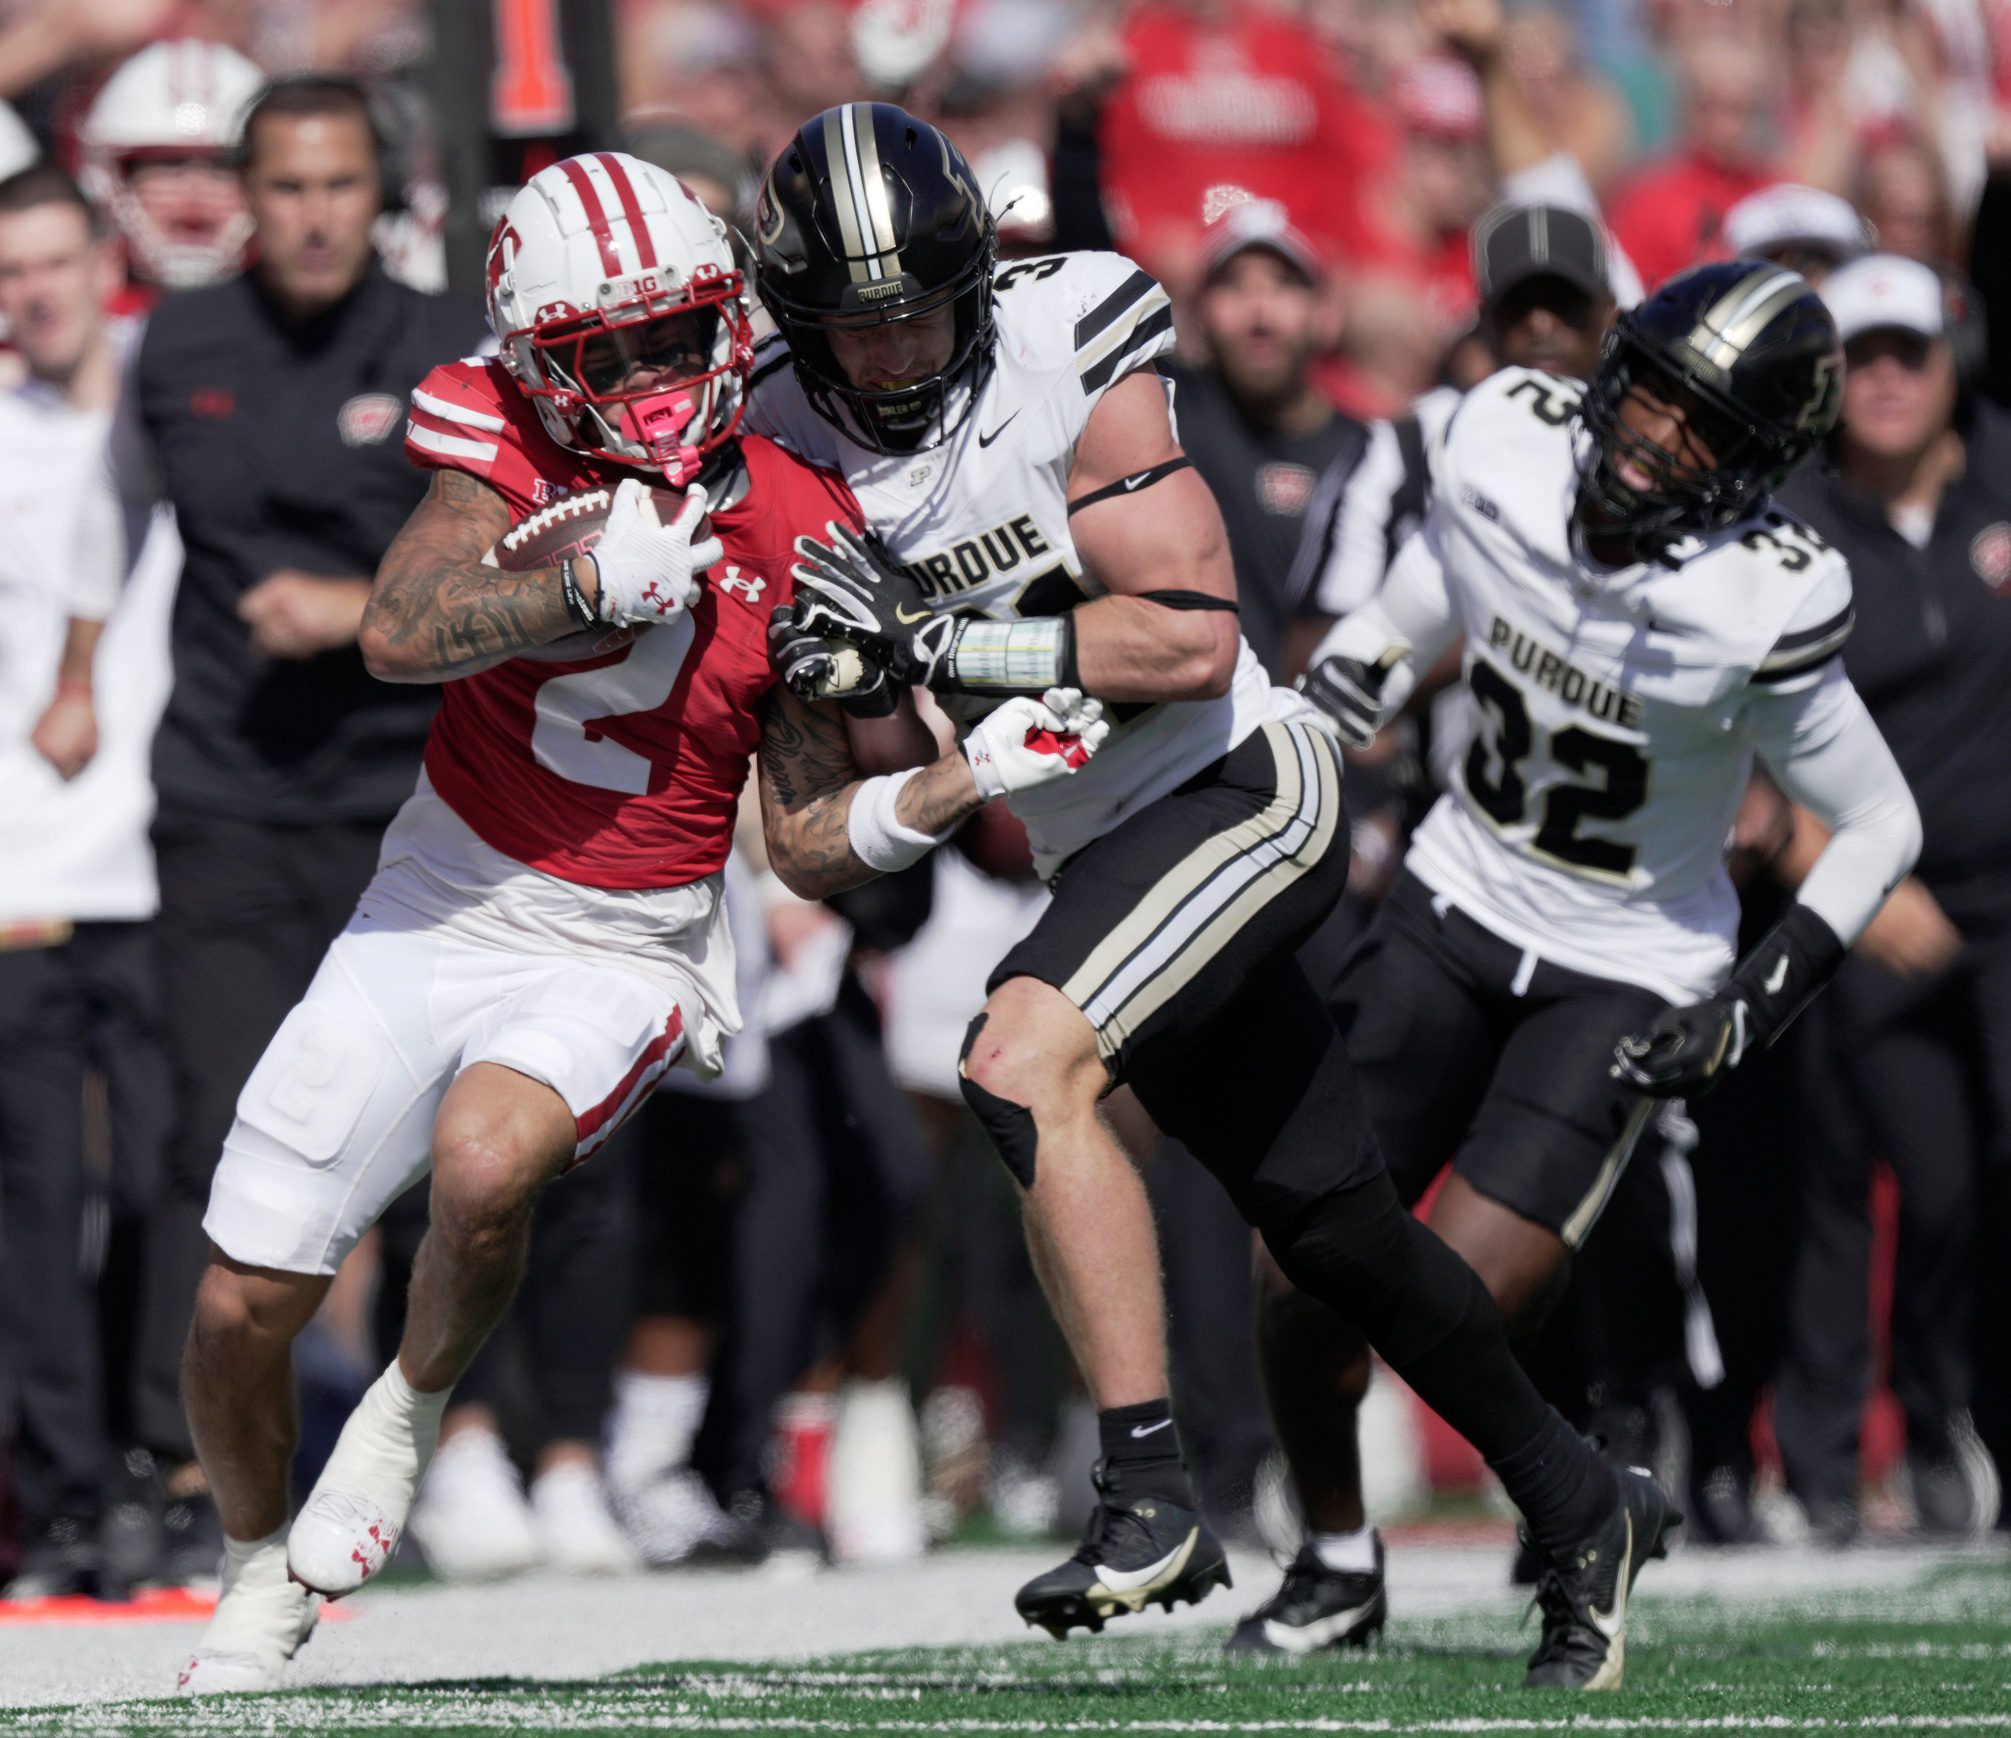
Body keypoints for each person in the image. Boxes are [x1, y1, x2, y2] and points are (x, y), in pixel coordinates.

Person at [752, 101, 1681, 1692]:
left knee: (1015, 1058)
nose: (895, 350)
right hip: (1085, 847)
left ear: (977, 273)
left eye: (917, 304)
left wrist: (925, 650)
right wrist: (891, 763)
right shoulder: (771, 444)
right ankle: (1580, 1493)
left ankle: (1146, 1490)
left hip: (1238, 784)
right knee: (1341, 1239)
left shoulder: (1064, 336)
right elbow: (808, 840)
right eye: (856, 318)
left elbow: (1183, 632)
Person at [174, 149, 1108, 1694]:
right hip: (438, 898)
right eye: (611, 352)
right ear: (541, 364)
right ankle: (252, 1566)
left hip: (630, 933)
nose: (659, 375)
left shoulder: (798, 518)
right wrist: (567, 587)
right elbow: (401, 628)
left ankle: (405, 1415)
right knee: (237, 1298)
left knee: (484, 1160)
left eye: (679, 333)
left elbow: (803, 844)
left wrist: (954, 785)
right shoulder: (499, 444)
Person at [1241, 261, 1920, 1657]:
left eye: (1703, 427)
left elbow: (1873, 818)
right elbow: (1451, 567)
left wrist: (1756, 999)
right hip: (1452, 891)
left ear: (1756, 468)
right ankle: (1330, 1556)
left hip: (1626, 952)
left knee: (1456, 1292)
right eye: (1653, 393)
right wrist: (1370, 653)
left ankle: (1573, 1519)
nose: (1654, 437)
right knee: (1294, 1263)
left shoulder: (1758, 598)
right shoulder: (1496, 433)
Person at [115, 73, 483, 1590]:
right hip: (229, 805)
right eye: (287, 185)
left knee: (456, 1156)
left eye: (341, 184)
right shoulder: (179, 345)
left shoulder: (445, 347)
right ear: (243, 196)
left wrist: (362, 607)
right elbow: (203, 546)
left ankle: (436, 1455)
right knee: (202, 1135)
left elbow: (498, 549)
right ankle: (161, 1464)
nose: (314, 213)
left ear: (381, 196)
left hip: (419, 807)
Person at [1774, 253, 2011, 1543]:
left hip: (2009, 894)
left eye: (1904, 351)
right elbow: (1746, 732)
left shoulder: (2003, 473)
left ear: (1947, 359)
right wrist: (1850, 872)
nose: (1882, 376)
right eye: (1858, 354)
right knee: (1929, 1184)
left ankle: (1962, 1422)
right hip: (1878, 898)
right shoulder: (1789, 522)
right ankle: (1918, 1421)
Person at [0, 162, 175, 1599]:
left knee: (182, 1180)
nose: (33, 292)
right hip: (26, 867)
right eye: (9, 271)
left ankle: (161, 1463)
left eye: (54, 262)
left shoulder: (181, 403)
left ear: (100, 261)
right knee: (38, 1201)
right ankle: (59, 1497)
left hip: (175, 853)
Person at [78, 39, 266, 304]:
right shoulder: (76, 323)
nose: (195, 186)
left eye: (222, 165)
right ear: (115, 179)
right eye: (169, 163)